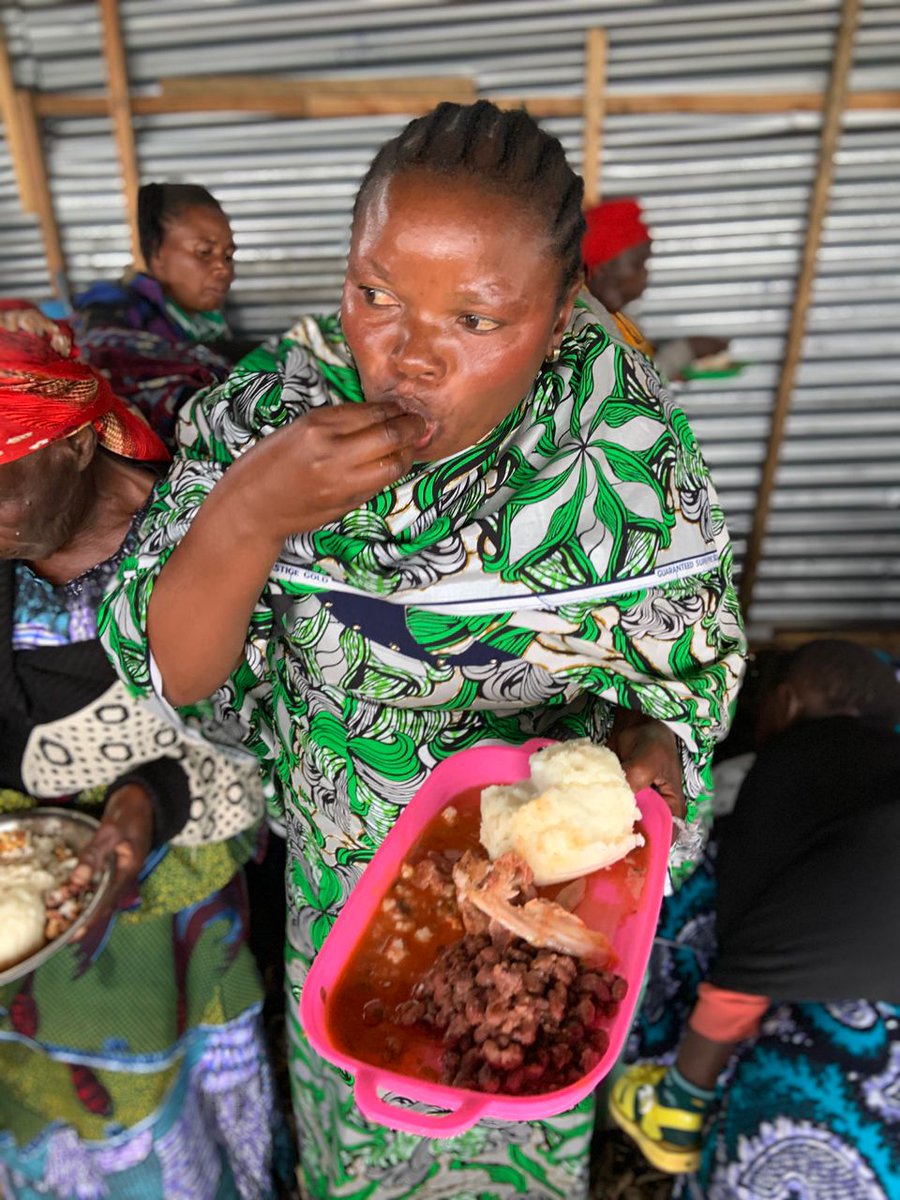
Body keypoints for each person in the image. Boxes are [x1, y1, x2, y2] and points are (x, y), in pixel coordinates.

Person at [101, 100, 746, 1199]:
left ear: (557, 316)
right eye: (374, 296)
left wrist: (653, 747)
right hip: (348, 898)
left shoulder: (627, 452)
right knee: (361, 1130)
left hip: (552, 913)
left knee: (515, 1114)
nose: (407, 352)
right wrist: (249, 517)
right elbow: (179, 678)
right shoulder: (267, 415)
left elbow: (686, 682)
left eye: (477, 318)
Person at [0, 316, 287, 1199]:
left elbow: (251, 729)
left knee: (176, 1102)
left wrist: (143, 807)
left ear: (81, 443)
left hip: (178, 899)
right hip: (27, 898)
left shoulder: (202, 533)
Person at [609, 640, 900, 1197]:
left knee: (747, 966)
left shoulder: (788, 763)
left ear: (785, 704)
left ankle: (676, 1109)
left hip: (852, 928)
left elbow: (745, 926)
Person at [69, 182, 248, 445]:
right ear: (156, 252)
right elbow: (97, 353)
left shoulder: (204, 321)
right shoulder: (113, 307)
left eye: (229, 256)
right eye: (204, 252)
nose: (223, 269)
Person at [582, 198, 730, 381]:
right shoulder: (584, 326)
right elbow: (632, 386)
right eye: (637, 265)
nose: (645, 275)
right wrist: (688, 349)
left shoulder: (618, 319)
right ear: (601, 268)